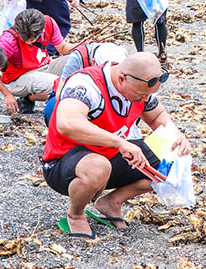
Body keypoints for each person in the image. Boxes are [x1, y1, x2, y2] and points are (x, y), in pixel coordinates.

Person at [42, 52, 191, 239]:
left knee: (172, 157)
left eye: (148, 96)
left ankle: (112, 201)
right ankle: (76, 214)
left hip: (110, 154)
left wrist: (176, 137)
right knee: (98, 167)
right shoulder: (86, 85)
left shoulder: (140, 87)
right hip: (63, 161)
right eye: (141, 95)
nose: (145, 100)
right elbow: (67, 123)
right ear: (121, 79)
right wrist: (120, 142)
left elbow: (156, 116)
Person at [0, 9, 77, 114]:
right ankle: (67, 110)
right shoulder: (8, 41)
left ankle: (29, 98)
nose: (27, 41)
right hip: (18, 79)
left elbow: (63, 48)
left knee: (79, 59)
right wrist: (7, 94)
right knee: (59, 83)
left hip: (44, 67)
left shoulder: (49, 23)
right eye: (24, 38)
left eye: (31, 39)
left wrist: (84, 47)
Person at [45, 42, 129, 125]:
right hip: (77, 96)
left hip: (109, 98)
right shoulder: (78, 57)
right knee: (53, 109)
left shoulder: (122, 55)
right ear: (93, 62)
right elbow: (60, 93)